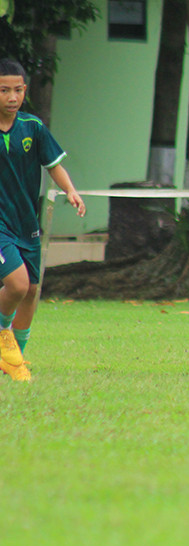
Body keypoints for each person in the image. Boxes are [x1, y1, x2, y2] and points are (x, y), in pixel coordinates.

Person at [0, 59, 85, 381]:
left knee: (32, 289)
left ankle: (15, 359)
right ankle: (2, 334)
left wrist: (71, 191)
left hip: (26, 222)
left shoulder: (32, 128)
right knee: (17, 284)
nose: (12, 97)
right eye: (4, 90)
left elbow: (53, 164)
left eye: (18, 90)